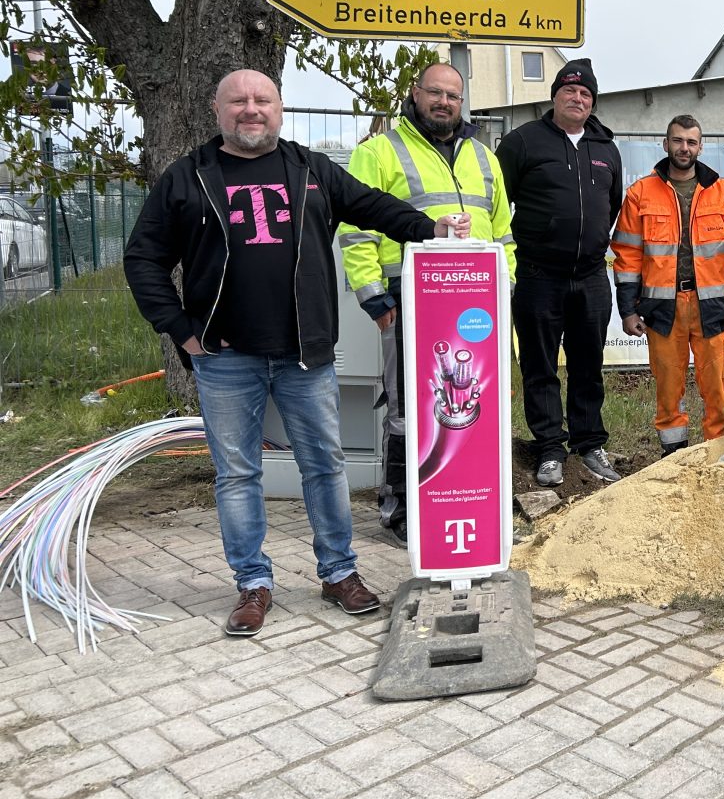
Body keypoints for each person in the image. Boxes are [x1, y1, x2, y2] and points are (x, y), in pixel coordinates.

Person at [124, 69, 470, 637]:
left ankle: (338, 573)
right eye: (239, 101)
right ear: (218, 111)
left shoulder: (311, 168)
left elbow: (375, 207)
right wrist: (183, 332)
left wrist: (429, 226)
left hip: (304, 355)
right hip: (224, 358)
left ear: (280, 108)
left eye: (262, 99)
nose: (251, 109)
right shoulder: (188, 177)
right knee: (238, 474)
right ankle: (253, 583)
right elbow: (143, 260)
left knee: (325, 467)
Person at [340, 62, 515, 546]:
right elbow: (354, 230)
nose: (444, 102)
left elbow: (503, 233)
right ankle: (399, 507)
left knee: (472, 398)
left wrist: (506, 285)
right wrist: (372, 295)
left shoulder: (484, 157)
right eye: (434, 93)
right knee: (407, 405)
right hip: (408, 298)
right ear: (414, 94)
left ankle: (471, 496)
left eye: (453, 96)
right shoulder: (380, 152)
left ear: (463, 103)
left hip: (477, 303)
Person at [494, 58, 623, 487]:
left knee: (588, 364)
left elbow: (613, 205)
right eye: (569, 91)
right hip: (538, 275)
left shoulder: (606, 149)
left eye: (585, 93)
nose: (577, 98)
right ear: (554, 97)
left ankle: (589, 444)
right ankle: (550, 447)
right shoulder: (522, 142)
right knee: (540, 365)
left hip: (589, 277)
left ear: (592, 103)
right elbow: (497, 204)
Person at [612, 116, 724, 452]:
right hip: (663, 308)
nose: (684, 148)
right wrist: (626, 309)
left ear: (700, 146)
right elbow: (627, 254)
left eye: (691, 142)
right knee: (667, 390)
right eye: (678, 141)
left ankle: (719, 452)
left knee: (718, 388)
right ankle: (674, 457)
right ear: (666, 144)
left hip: (712, 307)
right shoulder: (641, 193)